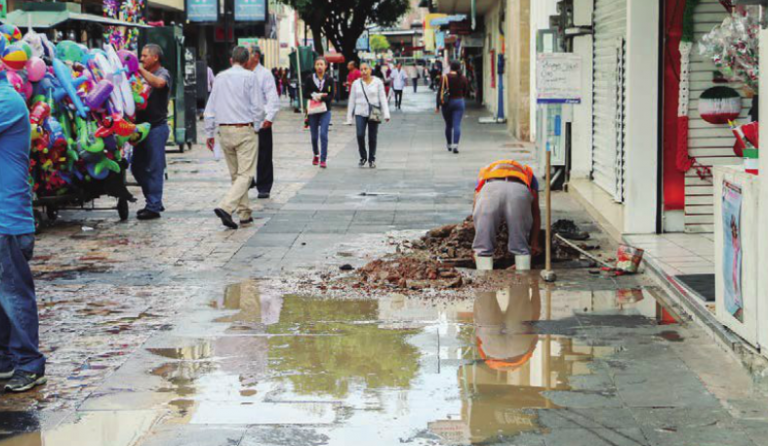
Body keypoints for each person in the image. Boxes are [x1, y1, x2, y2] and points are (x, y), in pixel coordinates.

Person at [0, 71, 47, 393]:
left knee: (14, 296)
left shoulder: (6, 100)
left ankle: (29, 364)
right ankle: (5, 362)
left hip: (7, 220)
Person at [204, 46, 264, 230]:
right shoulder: (250, 77)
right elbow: (257, 107)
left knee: (236, 174)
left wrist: (209, 133)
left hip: (225, 130)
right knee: (246, 174)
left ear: (231, 60)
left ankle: (244, 212)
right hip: (244, 128)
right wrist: (257, 126)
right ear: (247, 62)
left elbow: (210, 108)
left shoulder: (220, 77)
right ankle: (226, 206)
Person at [472, 160, 542, 262]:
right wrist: (534, 242)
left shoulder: (486, 171)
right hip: (519, 190)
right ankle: (523, 269)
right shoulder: (528, 173)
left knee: (483, 247)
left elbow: (476, 209)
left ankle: (483, 269)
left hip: (490, 189)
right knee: (520, 245)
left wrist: (479, 235)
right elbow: (535, 213)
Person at [133, 43, 172, 220]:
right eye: (140, 56)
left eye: (145, 56)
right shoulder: (140, 75)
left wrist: (139, 70)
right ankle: (153, 200)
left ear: (155, 57)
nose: (141, 59)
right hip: (140, 129)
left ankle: (153, 205)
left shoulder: (162, 73)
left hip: (156, 127)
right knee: (137, 167)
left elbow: (159, 83)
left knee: (154, 168)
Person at [245, 45, 280, 199]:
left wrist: (269, 117)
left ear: (256, 57)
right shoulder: (242, 73)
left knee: (264, 154)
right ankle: (248, 180)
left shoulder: (264, 74)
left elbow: (272, 97)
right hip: (245, 120)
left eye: (248, 54)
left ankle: (264, 186)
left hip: (261, 119)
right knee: (245, 153)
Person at [347, 63, 390, 169]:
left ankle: (372, 159)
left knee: (372, 137)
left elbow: (382, 98)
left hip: (374, 112)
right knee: (360, 135)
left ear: (370, 70)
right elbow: (352, 100)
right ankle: (363, 156)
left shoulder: (377, 82)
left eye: (366, 69)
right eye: (361, 70)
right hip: (360, 112)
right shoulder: (356, 84)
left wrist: (386, 113)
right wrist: (349, 117)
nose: (364, 71)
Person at [304, 57, 335, 168]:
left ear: (325, 66)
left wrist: (322, 97)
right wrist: (313, 95)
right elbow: (305, 93)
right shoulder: (309, 78)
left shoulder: (329, 79)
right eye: (317, 64)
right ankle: (316, 154)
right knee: (314, 136)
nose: (319, 67)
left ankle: (323, 159)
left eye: (321, 64)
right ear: (315, 66)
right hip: (313, 110)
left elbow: (331, 95)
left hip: (325, 109)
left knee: (323, 134)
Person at [437, 61, 469, 154]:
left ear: (450, 67)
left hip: (446, 103)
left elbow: (440, 92)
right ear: (459, 67)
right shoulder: (462, 78)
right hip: (459, 102)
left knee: (448, 125)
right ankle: (455, 145)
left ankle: (449, 144)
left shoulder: (445, 77)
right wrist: (461, 97)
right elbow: (465, 90)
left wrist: (437, 106)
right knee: (457, 125)